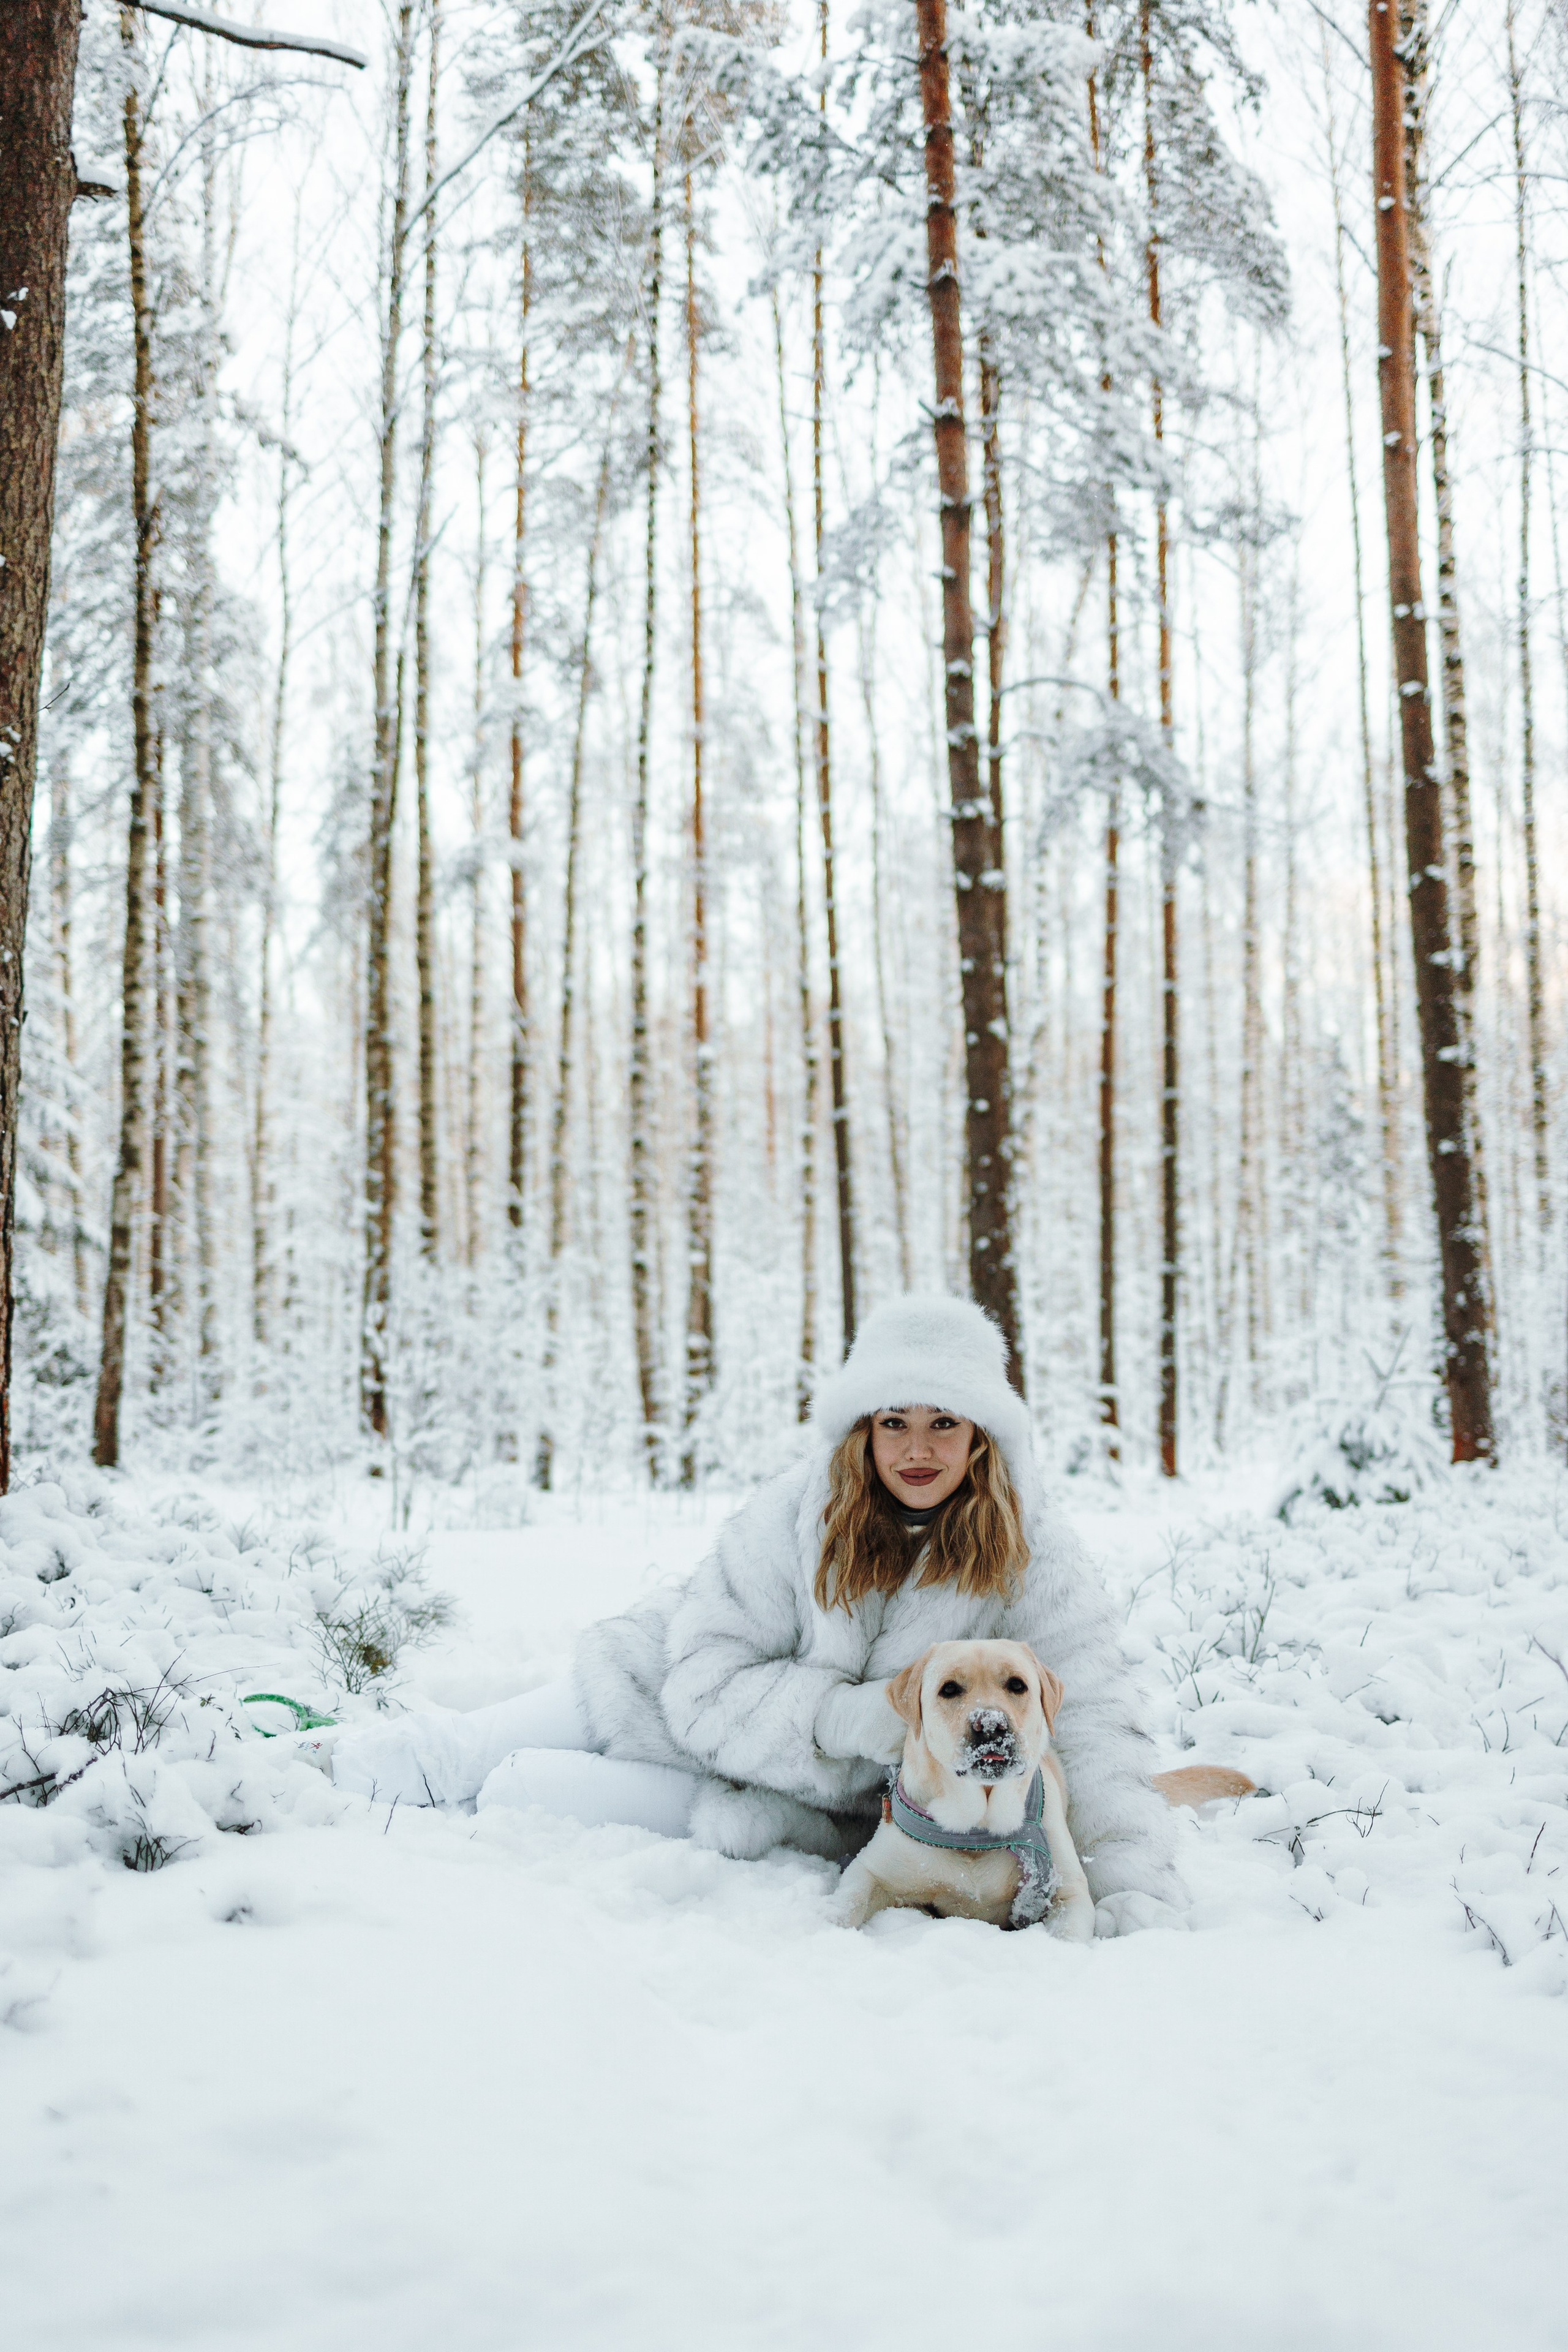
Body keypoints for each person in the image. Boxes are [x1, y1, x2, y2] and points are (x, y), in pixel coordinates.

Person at [331, 1293, 1184, 1932]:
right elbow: (702, 1682)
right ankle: (280, 1775)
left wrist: (1129, 1886)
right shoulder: (800, 1511)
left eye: (943, 1423)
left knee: (517, 1788)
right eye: (894, 1423)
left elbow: (1097, 1725)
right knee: (450, 1752)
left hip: (799, 1804)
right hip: (652, 1684)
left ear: (982, 1436)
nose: (917, 1450)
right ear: (863, 1429)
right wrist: (845, 1718)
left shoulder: (1032, 1553)